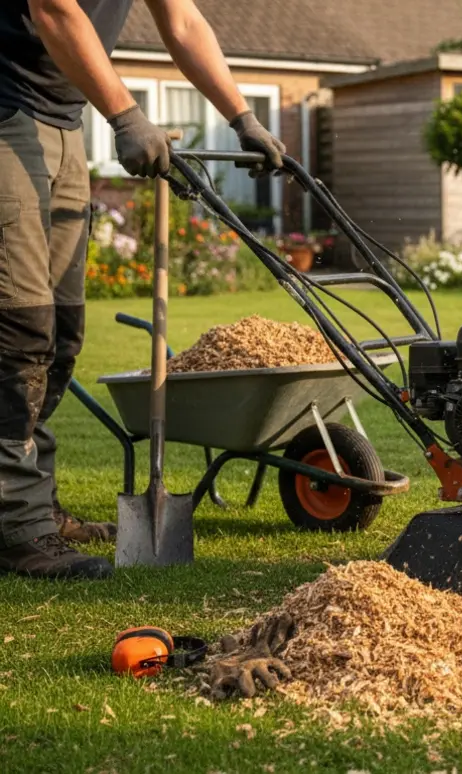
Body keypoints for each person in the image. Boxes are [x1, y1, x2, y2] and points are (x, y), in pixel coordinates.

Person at [0, 0, 285, 580]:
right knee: (18, 330)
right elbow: (53, 10)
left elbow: (184, 23)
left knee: (63, 333)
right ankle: (15, 527)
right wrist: (126, 116)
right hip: (6, 110)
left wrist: (242, 118)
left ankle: (35, 505)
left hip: (63, 119)